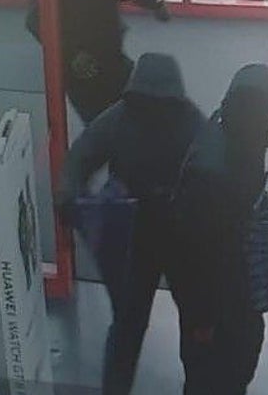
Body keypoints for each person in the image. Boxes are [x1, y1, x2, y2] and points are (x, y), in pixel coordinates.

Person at [56, 52, 206, 395]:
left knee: (148, 322)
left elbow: (82, 156)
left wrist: (69, 191)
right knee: (136, 322)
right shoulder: (183, 122)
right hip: (144, 234)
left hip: (160, 233)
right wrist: (68, 188)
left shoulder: (128, 118)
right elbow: (81, 158)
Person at [172, 63, 268, 395]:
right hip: (215, 303)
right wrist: (201, 322)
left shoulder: (238, 137)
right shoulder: (211, 176)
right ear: (255, 113)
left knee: (234, 358)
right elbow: (190, 254)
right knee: (216, 374)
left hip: (231, 290)